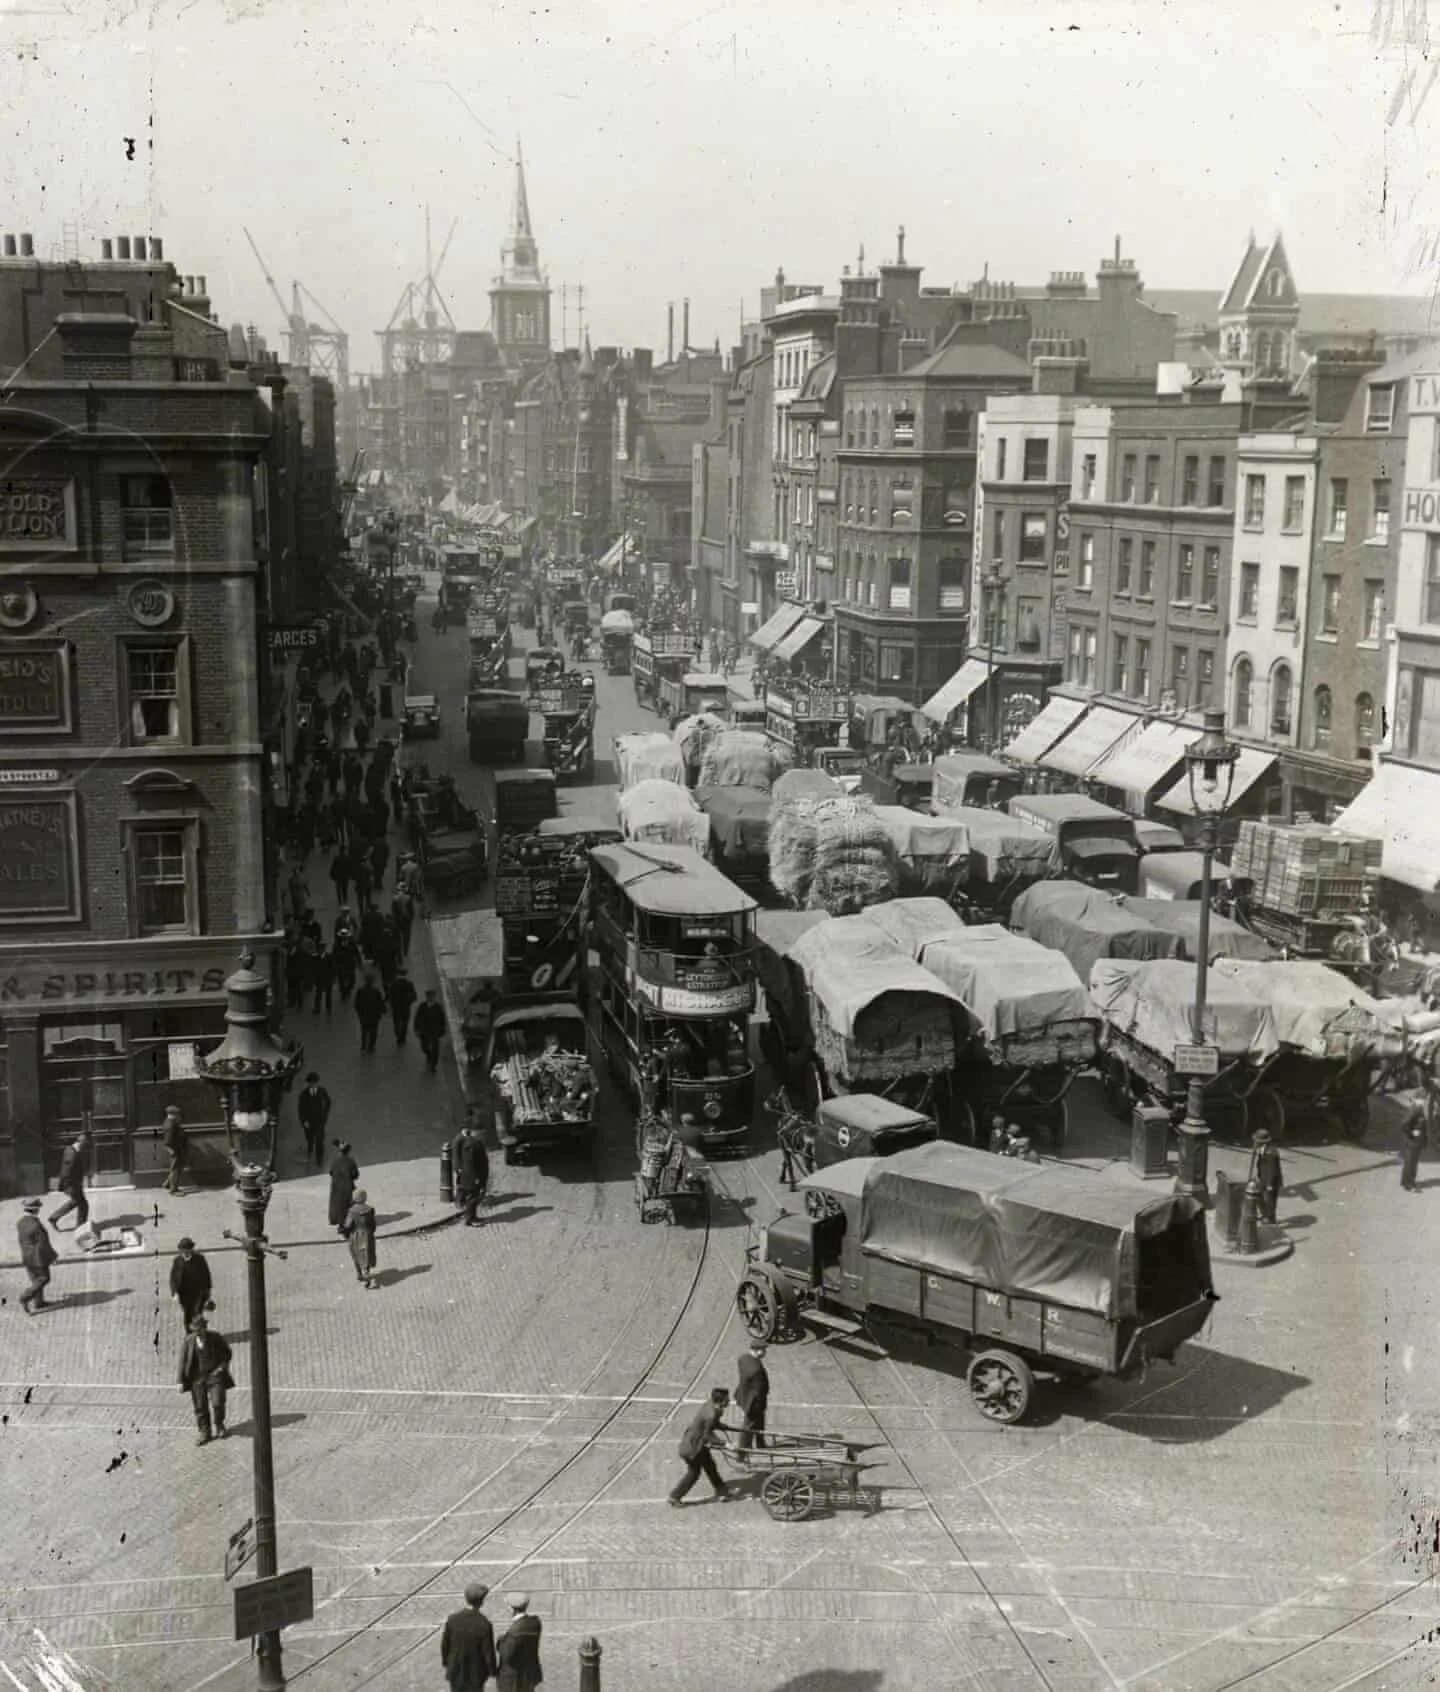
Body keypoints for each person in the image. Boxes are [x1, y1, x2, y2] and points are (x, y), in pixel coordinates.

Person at [668, 1386, 734, 1505]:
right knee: (694, 1473)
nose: (729, 1401)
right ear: (721, 1400)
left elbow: (710, 1425)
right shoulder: (711, 1413)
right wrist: (725, 1444)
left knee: (710, 1467)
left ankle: (723, 1492)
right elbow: (707, 1434)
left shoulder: (712, 1406)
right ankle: (675, 1497)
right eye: (727, 1399)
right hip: (693, 1447)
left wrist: (725, 1427)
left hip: (696, 1443)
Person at [178, 1314, 234, 1446]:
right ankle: (205, 1431)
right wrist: (180, 1380)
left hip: (214, 1376)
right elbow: (183, 1361)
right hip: (197, 1378)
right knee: (200, 1406)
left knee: (218, 1402)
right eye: (195, 1329)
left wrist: (222, 1367)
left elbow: (227, 1353)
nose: (198, 1332)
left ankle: (219, 1425)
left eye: (200, 1329)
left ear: (205, 1328)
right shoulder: (189, 1341)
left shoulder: (215, 1337)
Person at [440, 1582, 498, 1692]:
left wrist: (446, 1662)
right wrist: (493, 1670)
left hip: (456, 1669)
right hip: (476, 1672)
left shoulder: (453, 1619)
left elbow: (445, 1644)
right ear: (481, 1602)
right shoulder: (484, 1624)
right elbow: (488, 1652)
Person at [17, 1198, 57, 1315]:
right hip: (38, 1258)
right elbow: (43, 1244)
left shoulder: (20, 1222)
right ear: (35, 1210)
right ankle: (25, 1297)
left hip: (26, 1256)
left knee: (35, 1280)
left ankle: (39, 1303)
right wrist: (52, 1256)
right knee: (43, 1279)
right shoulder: (36, 1225)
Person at [496, 1594, 543, 1692]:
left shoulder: (515, 1630)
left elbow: (506, 1653)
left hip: (513, 1679)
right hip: (528, 1675)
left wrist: (501, 1640)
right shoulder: (534, 1623)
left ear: (511, 1609)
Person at [49, 1130, 92, 1230]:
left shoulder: (75, 1150)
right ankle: (81, 1227)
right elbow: (66, 1171)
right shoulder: (71, 1153)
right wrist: (66, 1186)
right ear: (80, 1141)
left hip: (75, 1183)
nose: (86, 1145)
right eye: (85, 1142)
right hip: (71, 1184)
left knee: (76, 1202)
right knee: (83, 1205)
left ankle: (54, 1218)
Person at [169, 1237, 213, 1329]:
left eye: (187, 1250)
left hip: (198, 1293)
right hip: (184, 1294)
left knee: (197, 1312)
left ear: (191, 1249)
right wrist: (174, 1292)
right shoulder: (177, 1261)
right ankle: (189, 1333)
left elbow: (206, 1274)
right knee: (187, 1313)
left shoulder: (200, 1259)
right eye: (183, 1250)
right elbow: (173, 1277)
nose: (185, 1253)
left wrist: (208, 1290)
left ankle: (198, 1331)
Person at [453, 1117, 490, 1227]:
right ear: (475, 1132)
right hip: (473, 1177)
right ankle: (470, 1219)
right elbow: (470, 1164)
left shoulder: (472, 1142)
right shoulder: (473, 1144)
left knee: (472, 1196)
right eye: (480, 1131)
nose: (482, 1133)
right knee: (473, 1198)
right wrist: (476, 1178)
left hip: (471, 1176)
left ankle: (471, 1217)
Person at [735, 1341, 769, 1452]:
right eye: (764, 1350)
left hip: (744, 1395)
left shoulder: (743, 1359)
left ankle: (761, 1444)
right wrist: (760, 1406)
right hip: (754, 1403)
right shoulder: (756, 1370)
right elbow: (759, 1390)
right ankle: (742, 1452)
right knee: (748, 1426)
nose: (765, 1352)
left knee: (759, 1422)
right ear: (758, 1351)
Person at [344, 1188, 377, 1289]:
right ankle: (366, 1271)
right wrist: (371, 1232)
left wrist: (346, 1232)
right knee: (367, 1253)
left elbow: (348, 1225)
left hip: (356, 1236)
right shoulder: (370, 1210)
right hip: (367, 1236)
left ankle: (359, 1273)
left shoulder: (351, 1211)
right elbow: (373, 1224)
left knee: (355, 1254)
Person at [297, 1072, 332, 1167]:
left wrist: (325, 1115)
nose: (312, 1085)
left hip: (320, 1121)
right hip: (309, 1122)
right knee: (310, 1139)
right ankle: (309, 1151)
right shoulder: (303, 1094)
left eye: (314, 1083)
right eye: (310, 1083)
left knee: (320, 1140)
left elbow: (328, 1102)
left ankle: (319, 1159)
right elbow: (301, 1109)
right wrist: (304, 1121)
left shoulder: (322, 1091)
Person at [328, 1140, 359, 1234]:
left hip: (336, 1186)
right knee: (346, 1205)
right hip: (347, 1187)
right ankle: (344, 1224)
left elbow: (331, 1172)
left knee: (336, 1204)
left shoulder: (335, 1161)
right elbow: (355, 1175)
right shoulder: (351, 1161)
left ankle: (334, 1220)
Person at [1253, 1129, 1284, 1220]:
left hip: (1271, 1181)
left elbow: (1272, 1170)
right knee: (1260, 1197)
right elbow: (1260, 1164)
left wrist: (1270, 1184)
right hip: (1263, 1178)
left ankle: (1270, 1218)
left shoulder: (1271, 1152)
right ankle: (1264, 1214)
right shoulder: (1263, 1150)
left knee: (1270, 1201)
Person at [415, 989, 447, 1073]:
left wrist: (442, 1029)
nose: (430, 998)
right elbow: (417, 1018)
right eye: (429, 997)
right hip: (424, 1030)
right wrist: (417, 1029)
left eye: (432, 997)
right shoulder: (422, 1006)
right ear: (427, 997)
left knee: (435, 1048)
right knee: (424, 1047)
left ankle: (433, 1065)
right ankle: (428, 1054)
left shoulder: (438, 1007)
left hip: (434, 1030)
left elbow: (442, 1019)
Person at [354, 972, 386, 1054]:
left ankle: (363, 1046)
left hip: (364, 1015)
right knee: (373, 1031)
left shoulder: (360, 991)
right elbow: (380, 1002)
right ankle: (371, 1045)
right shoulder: (376, 991)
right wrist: (382, 1011)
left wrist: (359, 1012)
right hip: (374, 1015)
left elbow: (357, 1003)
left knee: (364, 1031)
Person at [162, 1104, 188, 1195]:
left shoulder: (169, 1122)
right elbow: (168, 1141)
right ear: (172, 1114)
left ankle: (167, 1184)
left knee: (175, 1168)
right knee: (175, 1169)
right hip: (174, 1150)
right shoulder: (170, 1125)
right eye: (177, 1114)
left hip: (176, 1149)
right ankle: (173, 1190)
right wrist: (171, 1150)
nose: (178, 1116)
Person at [388, 966, 418, 1046]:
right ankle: (403, 1037)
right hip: (405, 1007)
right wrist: (409, 1001)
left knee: (396, 1022)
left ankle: (398, 1036)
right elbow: (414, 996)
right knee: (405, 1022)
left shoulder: (393, 984)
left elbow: (389, 996)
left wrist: (391, 1004)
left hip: (396, 1007)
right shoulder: (409, 984)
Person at [310, 943, 335, 1015]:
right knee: (318, 994)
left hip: (328, 978)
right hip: (319, 979)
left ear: (323, 949)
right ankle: (317, 1008)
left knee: (328, 994)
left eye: (321, 949)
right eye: (318, 949)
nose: (319, 951)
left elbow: (332, 968)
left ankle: (328, 1007)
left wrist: (333, 978)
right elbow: (313, 969)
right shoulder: (315, 957)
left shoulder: (329, 957)